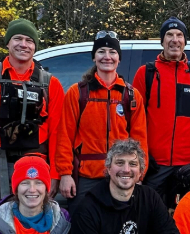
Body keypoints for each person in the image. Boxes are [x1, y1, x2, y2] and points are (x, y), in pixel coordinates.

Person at [0, 19, 65, 218]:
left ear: (35, 46)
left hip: (37, 168)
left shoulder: (50, 85)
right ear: (8, 43)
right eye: (17, 38)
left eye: (29, 40)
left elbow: (58, 135)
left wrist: (55, 175)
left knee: (33, 227)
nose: (23, 44)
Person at [55, 30, 147, 206]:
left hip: (121, 175)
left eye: (112, 52)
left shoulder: (132, 95)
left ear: (119, 58)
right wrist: (65, 174)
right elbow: (65, 136)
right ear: (93, 57)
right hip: (85, 177)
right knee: (83, 228)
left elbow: (140, 140)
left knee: (117, 229)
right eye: (101, 52)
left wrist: (139, 174)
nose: (107, 57)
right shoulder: (78, 92)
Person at [133, 17, 190, 207]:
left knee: (185, 217)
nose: (174, 39)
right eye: (169, 35)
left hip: (188, 164)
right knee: (150, 215)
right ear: (162, 41)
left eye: (179, 35)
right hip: (155, 164)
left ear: (185, 41)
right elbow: (135, 122)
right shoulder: (146, 73)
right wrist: (141, 156)